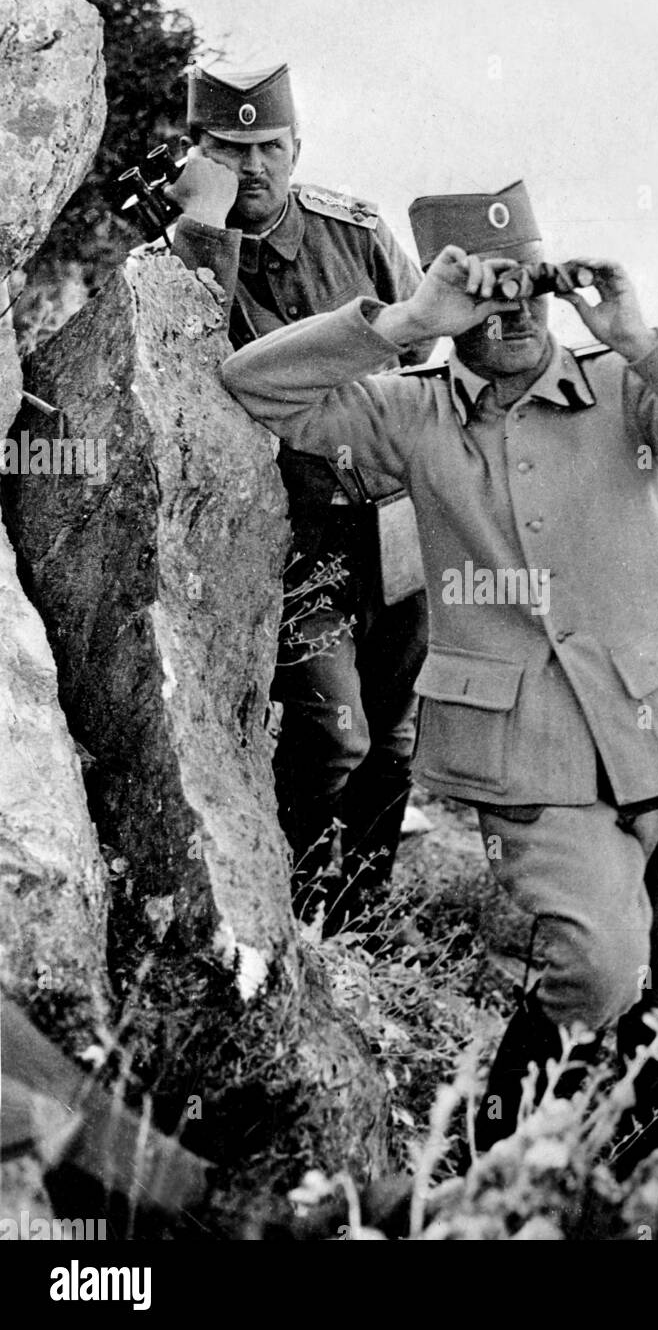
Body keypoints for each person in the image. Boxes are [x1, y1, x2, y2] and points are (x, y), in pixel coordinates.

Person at [221, 181, 658, 1175]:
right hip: (527, 748)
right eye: (485, 298)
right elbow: (257, 386)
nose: (513, 313)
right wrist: (400, 320)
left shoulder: (620, 384)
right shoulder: (409, 415)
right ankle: (496, 1144)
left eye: (527, 287)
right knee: (592, 964)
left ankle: (648, 1117)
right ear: (454, 316)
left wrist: (641, 336)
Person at [168, 64, 431, 933]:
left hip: (396, 525)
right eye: (226, 148)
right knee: (333, 732)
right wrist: (199, 232)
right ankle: (274, 908)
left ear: (296, 148)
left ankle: (356, 926)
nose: (251, 167)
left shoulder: (351, 233)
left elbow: (428, 352)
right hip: (292, 539)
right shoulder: (171, 253)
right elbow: (189, 368)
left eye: (268, 147)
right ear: (195, 152)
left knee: (393, 742)